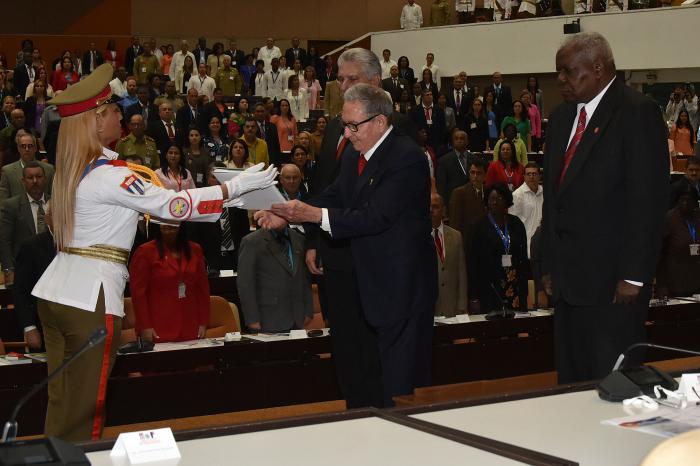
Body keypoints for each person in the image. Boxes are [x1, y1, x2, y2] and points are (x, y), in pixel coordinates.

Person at [30, 63, 277, 441]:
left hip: (56, 292)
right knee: (86, 406)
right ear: (96, 121)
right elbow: (173, 208)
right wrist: (234, 188)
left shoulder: (72, 170)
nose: (121, 115)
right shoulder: (109, 175)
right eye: (113, 109)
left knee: (63, 400)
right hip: (90, 297)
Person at [260, 83, 437, 407]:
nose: (348, 133)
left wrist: (311, 214)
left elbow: (375, 217)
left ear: (380, 122)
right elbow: (334, 195)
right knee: (369, 387)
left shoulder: (407, 157)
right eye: (345, 125)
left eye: (354, 126)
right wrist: (287, 214)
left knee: (398, 390)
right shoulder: (358, 154)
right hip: (369, 287)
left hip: (400, 291)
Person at [541, 33, 668, 384]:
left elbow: (647, 200)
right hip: (568, 285)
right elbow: (555, 200)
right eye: (558, 72)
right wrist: (549, 263)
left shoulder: (637, 112)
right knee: (571, 384)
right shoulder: (563, 118)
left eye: (568, 71)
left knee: (612, 388)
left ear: (598, 68)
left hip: (614, 286)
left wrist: (634, 275)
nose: (560, 80)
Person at [129, 221, 209, 342]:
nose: (167, 224)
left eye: (173, 220)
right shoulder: (144, 251)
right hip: (157, 328)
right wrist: (145, 326)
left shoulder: (195, 249)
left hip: (191, 326)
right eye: (163, 220)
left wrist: (203, 322)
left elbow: (203, 289)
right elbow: (138, 294)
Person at [238, 223, 313, 333]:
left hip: (298, 317)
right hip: (267, 319)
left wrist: (308, 310)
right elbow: (245, 284)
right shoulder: (252, 242)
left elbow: (305, 278)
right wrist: (252, 319)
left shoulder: (299, 238)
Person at [469, 183, 529, 314]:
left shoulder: (516, 224)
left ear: (507, 200)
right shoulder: (478, 226)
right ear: (487, 202)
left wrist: (524, 292)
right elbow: (472, 264)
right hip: (489, 289)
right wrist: (473, 297)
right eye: (492, 199)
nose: (495, 202)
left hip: (514, 288)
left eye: (499, 199)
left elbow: (523, 259)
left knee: (514, 330)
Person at [14, 201, 56, 351]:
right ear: (47, 218)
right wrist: (29, 327)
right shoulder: (31, 247)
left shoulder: (79, 245)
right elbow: (20, 291)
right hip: (42, 324)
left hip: (75, 323)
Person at [0, 161, 49, 284]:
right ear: (23, 181)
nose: (34, 181)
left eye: (38, 177)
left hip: (52, 269)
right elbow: (5, 240)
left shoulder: (56, 203)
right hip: (23, 270)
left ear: (45, 179)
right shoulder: (11, 206)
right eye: (30, 177)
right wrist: (8, 270)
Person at [656, 185, 700, 298]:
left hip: (697, 281)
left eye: (689, 200)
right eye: (682, 199)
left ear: (695, 202)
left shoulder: (698, 217)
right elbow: (660, 256)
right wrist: (661, 285)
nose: (685, 203)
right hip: (676, 283)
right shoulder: (669, 219)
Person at [431, 193, 467, 317]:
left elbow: (461, 273)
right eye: (428, 207)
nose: (431, 210)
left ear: (443, 210)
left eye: (435, 207)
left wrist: (462, 305)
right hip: (428, 308)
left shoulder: (456, 236)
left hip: (451, 307)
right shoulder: (417, 238)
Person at [448, 159, 487, 260]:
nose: (475, 176)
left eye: (479, 173)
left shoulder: (489, 193)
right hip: (466, 245)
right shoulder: (459, 193)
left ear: (485, 176)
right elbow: (455, 224)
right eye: (472, 172)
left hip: (486, 245)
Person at [0, 132, 54, 200]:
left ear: (35, 148)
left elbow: (54, 197)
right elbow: (3, 201)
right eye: (23, 146)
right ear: (18, 149)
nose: (27, 149)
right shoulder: (7, 171)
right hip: (17, 210)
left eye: (30, 146)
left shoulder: (49, 169)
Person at [509, 162, 542, 257]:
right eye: (528, 174)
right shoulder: (517, 195)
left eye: (534, 174)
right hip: (526, 245)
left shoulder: (545, 193)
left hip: (543, 244)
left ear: (539, 176)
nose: (531, 176)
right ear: (524, 176)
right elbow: (513, 224)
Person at [436, 130, 471, 206]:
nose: (459, 141)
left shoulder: (475, 159)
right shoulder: (443, 161)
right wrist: (443, 206)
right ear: (452, 142)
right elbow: (441, 186)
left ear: (467, 141)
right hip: (452, 203)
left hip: (471, 202)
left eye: (462, 138)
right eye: (456, 139)